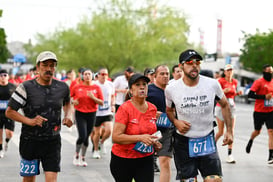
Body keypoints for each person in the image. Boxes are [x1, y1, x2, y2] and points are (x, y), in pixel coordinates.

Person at [165, 49, 233, 181]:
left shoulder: (212, 84)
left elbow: (225, 105)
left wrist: (229, 131)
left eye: (197, 62)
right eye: (190, 62)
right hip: (183, 142)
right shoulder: (171, 89)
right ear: (181, 66)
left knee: (214, 180)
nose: (194, 65)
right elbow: (169, 110)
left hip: (207, 139)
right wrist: (176, 122)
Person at [5, 51, 73, 182]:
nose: (49, 69)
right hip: (30, 141)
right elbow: (10, 111)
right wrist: (29, 121)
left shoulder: (63, 87)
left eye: (52, 66)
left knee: (51, 180)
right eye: (45, 65)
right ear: (37, 67)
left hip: (53, 141)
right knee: (29, 180)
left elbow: (67, 103)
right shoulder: (25, 87)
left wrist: (68, 115)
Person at [110, 73, 162, 182]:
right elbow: (116, 137)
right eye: (137, 85)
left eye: (144, 84)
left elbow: (149, 133)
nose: (142, 87)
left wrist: (154, 142)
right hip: (123, 159)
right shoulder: (125, 109)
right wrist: (140, 138)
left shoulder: (152, 108)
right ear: (131, 91)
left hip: (146, 158)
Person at [71, 68, 104, 167]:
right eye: (85, 74)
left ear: (92, 76)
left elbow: (101, 102)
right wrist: (73, 102)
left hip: (92, 114)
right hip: (80, 113)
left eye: (89, 74)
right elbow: (69, 98)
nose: (87, 76)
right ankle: (76, 154)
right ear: (82, 76)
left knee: (87, 137)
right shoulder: (77, 87)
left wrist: (93, 97)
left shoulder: (96, 88)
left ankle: (83, 157)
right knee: (82, 135)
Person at [146, 64, 173, 182]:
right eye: (162, 74)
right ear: (155, 76)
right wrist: (151, 112)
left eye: (167, 73)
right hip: (148, 131)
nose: (165, 76)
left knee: (165, 162)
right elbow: (135, 107)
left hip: (167, 131)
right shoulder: (148, 89)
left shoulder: (173, 90)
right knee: (145, 165)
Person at [215, 64, 243, 163]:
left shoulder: (235, 82)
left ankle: (230, 154)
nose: (230, 72)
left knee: (231, 131)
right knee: (221, 131)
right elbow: (215, 93)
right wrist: (223, 91)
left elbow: (236, 92)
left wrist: (239, 93)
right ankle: (211, 148)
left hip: (231, 106)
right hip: (220, 107)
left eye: (231, 70)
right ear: (225, 72)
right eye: (228, 70)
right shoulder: (220, 81)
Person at [246, 64, 273, 164]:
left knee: (271, 131)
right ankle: (251, 140)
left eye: (271, 71)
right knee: (257, 131)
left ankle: (271, 155)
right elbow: (250, 95)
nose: (270, 73)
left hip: (270, 111)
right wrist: (264, 97)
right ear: (264, 72)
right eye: (268, 71)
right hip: (259, 111)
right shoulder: (259, 82)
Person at [91, 68, 115, 159]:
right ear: (98, 75)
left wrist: (113, 105)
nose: (104, 76)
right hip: (96, 112)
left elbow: (112, 96)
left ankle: (102, 142)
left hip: (107, 111)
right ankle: (96, 150)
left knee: (109, 130)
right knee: (97, 133)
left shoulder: (110, 84)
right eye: (102, 74)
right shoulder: (94, 85)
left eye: (106, 74)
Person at [0, 69, 16, 158]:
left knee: (9, 133)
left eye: (5, 75)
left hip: (9, 113)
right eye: (1, 75)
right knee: (0, 133)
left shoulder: (13, 87)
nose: (3, 77)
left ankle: (6, 142)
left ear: (8, 76)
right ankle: (1, 149)